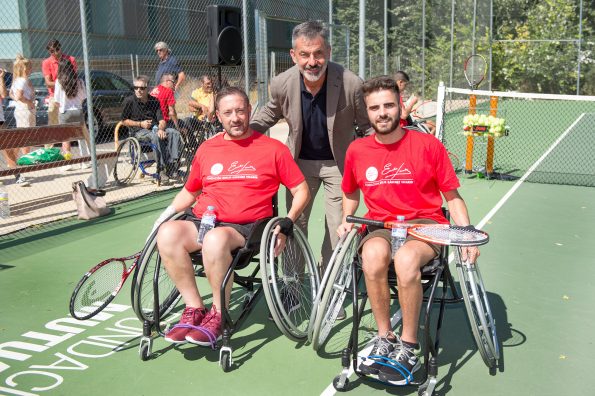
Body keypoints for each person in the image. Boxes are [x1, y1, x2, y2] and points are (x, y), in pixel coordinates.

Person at [338, 76, 479, 385]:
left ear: (400, 106)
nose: (382, 113)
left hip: (425, 225)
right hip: (382, 224)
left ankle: (409, 345)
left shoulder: (427, 145)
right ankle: (385, 336)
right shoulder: (357, 151)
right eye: (374, 108)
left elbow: (452, 197)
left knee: (404, 260)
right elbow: (350, 193)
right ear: (367, 111)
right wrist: (346, 220)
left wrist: (466, 232)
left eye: (388, 105)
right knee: (372, 255)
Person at [151, 86, 310, 347]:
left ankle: (218, 313)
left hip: (247, 227)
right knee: (167, 234)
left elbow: (301, 190)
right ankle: (194, 309)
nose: (235, 118)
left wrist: (287, 223)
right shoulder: (207, 148)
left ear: (249, 111)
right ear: (218, 116)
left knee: (214, 240)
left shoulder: (273, 149)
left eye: (240, 111)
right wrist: (165, 216)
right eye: (228, 112)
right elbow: (190, 192)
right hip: (204, 220)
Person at [250, 20, 369, 272]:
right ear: (294, 55)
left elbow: (366, 126)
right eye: (304, 54)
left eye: (318, 53)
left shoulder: (350, 83)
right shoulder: (282, 83)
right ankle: (292, 282)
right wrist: (236, 134)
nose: (311, 62)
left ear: (328, 52)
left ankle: (329, 283)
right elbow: (268, 115)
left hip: (339, 164)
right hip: (299, 164)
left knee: (338, 225)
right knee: (294, 223)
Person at [121, 75, 181, 183]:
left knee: (173, 132)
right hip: (138, 132)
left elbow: (162, 120)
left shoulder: (154, 101)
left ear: (147, 89)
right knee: (155, 136)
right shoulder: (129, 101)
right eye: (136, 87)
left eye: (142, 88)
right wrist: (140, 124)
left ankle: (172, 166)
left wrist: (161, 129)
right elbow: (123, 121)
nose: (138, 90)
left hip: (155, 129)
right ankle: (161, 169)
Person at [41, 39, 78, 161]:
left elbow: (74, 78)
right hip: (55, 96)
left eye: (57, 49)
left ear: (60, 47)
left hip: (70, 94)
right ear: (49, 51)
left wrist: (61, 84)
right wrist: (62, 83)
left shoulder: (70, 59)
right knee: (53, 123)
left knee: (74, 126)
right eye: (52, 51)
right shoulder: (47, 62)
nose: (55, 53)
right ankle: (48, 152)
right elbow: (48, 82)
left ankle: (72, 155)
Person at [54, 58, 91, 169]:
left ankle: (68, 163)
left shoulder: (58, 82)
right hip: (78, 112)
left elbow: (56, 101)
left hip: (65, 112)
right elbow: (84, 97)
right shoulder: (79, 81)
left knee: (66, 139)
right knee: (82, 137)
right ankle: (85, 161)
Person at [8, 55, 36, 187]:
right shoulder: (22, 80)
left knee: (23, 138)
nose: (31, 68)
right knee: (24, 139)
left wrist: (22, 101)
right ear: (24, 68)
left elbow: (11, 95)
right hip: (25, 111)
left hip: (23, 111)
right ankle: (23, 165)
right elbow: (18, 96)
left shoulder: (17, 80)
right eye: (29, 66)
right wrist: (29, 102)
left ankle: (16, 163)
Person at [183, 75, 216, 148]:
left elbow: (212, 110)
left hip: (211, 120)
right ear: (202, 83)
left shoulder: (214, 93)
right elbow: (190, 105)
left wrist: (205, 110)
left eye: (211, 83)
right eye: (208, 83)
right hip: (198, 120)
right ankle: (193, 145)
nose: (210, 85)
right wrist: (202, 107)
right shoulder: (197, 92)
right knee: (186, 121)